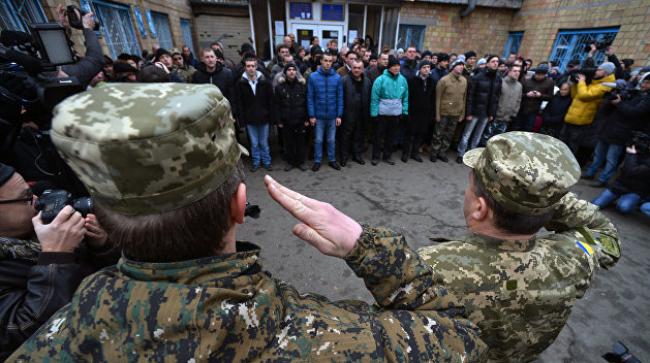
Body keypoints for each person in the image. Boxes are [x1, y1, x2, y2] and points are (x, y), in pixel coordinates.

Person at [8, 83, 486, 362]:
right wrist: (364, 246)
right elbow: (464, 337)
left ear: (102, 218)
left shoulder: (48, 345)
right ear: (241, 204)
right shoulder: (340, 340)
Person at [418, 131, 621, 362]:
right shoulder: (574, 259)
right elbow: (605, 235)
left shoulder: (430, 268)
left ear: (480, 208)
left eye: (470, 186)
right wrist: (544, 199)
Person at [0, 163, 116, 360]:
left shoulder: (43, 225)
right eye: (26, 197)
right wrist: (56, 257)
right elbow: (21, 334)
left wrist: (102, 246)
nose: (37, 201)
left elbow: (104, 275)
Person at [582, 72, 650, 187]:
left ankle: (603, 180)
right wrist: (612, 99)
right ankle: (590, 173)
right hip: (609, 128)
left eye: (647, 83)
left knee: (611, 158)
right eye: (644, 81)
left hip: (622, 132)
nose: (644, 84)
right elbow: (607, 109)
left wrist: (619, 103)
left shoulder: (646, 99)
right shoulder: (634, 94)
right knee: (598, 154)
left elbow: (634, 112)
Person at [561, 61, 616, 154]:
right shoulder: (593, 82)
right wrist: (575, 83)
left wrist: (581, 82)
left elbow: (584, 96)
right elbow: (575, 96)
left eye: (599, 69)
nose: (596, 71)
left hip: (580, 122)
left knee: (571, 147)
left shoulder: (605, 86)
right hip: (570, 118)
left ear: (606, 72)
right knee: (562, 143)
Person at [457, 55, 501, 163]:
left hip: (486, 113)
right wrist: (469, 113)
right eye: (493, 61)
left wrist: (492, 114)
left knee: (478, 135)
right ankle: (461, 153)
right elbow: (470, 96)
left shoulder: (498, 79)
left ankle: (472, 154)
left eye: (497, 61)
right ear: (487, 63)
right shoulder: (477, 77)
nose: (495, 63)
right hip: (475, 112)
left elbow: (496, 98)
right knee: (467, 134)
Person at [234, 57, 274, 172]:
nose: (251, 68)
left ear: (256, 67)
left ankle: (267, 162)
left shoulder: (264, 82)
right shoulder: (241, 83)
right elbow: (239, 102)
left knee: (264, 142)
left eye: (253, 66)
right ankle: (256, 162)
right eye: (248, 66)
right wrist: (241, 119)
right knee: (254, 143)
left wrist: (271, 117)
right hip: (250, 119)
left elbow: (270, 100)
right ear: (245, 67)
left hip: (264, 117)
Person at [592, 142, 650, 217]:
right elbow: (624, 169)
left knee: (624, 208)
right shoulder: (638, 151)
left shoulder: (633, 154)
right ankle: (612, 199)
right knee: (596, 204)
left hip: (636, 190)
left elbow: (631, 171)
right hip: (620, 185)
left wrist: (632, 154)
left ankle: (623, 201)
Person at [307, 53, 343, 171]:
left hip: (332, 115)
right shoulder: (313, 77)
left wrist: (339, 115)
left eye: (330, 61)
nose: (328, 63)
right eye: (325, 60)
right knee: (318, 139)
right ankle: (317, 160)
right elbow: (310, 97)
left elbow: (340, 97)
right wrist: (311, 115)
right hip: (318, 115)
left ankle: (332, 160)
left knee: (331, 140)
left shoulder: (337, 77)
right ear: (321, 62)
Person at [370, 56, 409, 166]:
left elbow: (405, 97)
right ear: (389, 67)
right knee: (378, 136)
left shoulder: (403, 80)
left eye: (398, 65)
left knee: (391, 137)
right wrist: (374, 113)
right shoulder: (380, 80)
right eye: (394, 66)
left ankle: (387, 156)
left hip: (395, 114)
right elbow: (374, 98)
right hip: (382, 114)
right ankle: (375, 157)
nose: (396, 68)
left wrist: (404, 111)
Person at [430, 60, 467, 163]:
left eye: (462, 66)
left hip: (456, 113)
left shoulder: (464, 81)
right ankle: (434, 152)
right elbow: (438, 98)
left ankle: (442, 152)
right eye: (459, 65)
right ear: (453, 67)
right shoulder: (444, 80)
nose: (461, 67)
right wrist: (437, 113)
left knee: (449, 134)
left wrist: (462, 113)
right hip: (444, 112)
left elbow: (464, 98)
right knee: (438, 133)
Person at [273, 62, 308, 171]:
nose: (291, 71)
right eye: (289, 70)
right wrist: (278, 120)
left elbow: (306, 103)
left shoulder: (302, 86)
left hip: (300, 119)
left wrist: (307, 118)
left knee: (300, 142)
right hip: (286, 120)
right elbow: (277, 105)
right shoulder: (279, 87)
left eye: (293, 69)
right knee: (288, 143)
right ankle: (290, 162)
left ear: (296, 72)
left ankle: (300, 162)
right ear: (285, 73)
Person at [403, 60, 436, 163]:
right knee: (409, 134)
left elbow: (433, 98)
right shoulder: (412, 80)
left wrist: (432, 113)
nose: (426, 69)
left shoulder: (432, 81)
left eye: (428, 67)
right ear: (420, 69)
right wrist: (407, 111)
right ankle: (405, 153)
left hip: (425, 113)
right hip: (413, 112)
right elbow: (407, 97)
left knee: (420, 134)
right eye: (424, 67)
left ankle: (415, 153)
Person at [480, 64, 522, 145]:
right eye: (515, 71)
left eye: (519, 71)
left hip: (506, 119)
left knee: (498, 140)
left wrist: (513, 114)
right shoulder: (501, 82)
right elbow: (494, 99)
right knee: (486, 137)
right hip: (496, 116)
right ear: (509, 72)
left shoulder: (519, 86)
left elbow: (518, 100)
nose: (517, 73)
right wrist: (492, 113)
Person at [340, 60, 371, 167]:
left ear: (362, 69)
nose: (357, 70)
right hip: (348, 114)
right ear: (351, 68)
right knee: (346, 137)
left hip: (362, 114)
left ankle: (357, 155)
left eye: (359, 68)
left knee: (359, 136)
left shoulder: (367, 81)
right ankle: (344, 157)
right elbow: (340, 98)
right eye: (354, 68)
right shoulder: (344, 80)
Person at [513, 64, 555, 132]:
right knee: (516, 127)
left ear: (545, 74)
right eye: (538, 74)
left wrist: (540, 95)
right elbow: (519, 94)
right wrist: (527, 95)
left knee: (528, 129)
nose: (539, 76)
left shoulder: (550, 83)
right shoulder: (527, 80)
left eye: (542, 74)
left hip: (534, 111)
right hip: (521, 108)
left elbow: (550, 97)